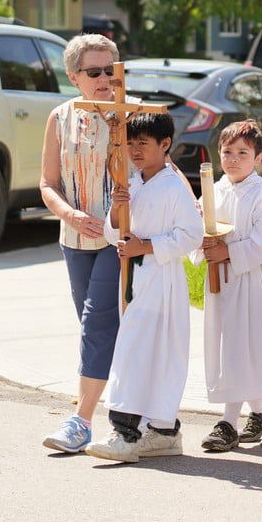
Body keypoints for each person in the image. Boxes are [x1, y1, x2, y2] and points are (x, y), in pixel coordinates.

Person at [86, 111, 205, 463]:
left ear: (165, 145)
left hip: (161, 280)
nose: (135, 150)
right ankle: (163, 432)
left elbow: (191, 235)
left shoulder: (173, 186)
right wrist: (116, 211)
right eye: (131, 143)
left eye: (144, 143)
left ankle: (126, 432)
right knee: (142, 350)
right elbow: (114, 234)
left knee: (140, 352)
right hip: (135, 278)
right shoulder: (133, 182)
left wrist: (147, 246)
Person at [40, 34, 122, 454]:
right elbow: (47, 184)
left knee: (97, 323)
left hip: (119, 240)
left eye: (111, 69)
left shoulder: (131, 115)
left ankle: (81, 421)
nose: (105, 78)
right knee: (98, 328)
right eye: (95, 72)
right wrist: (70, 215)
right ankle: (132, 417)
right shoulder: (59, 118)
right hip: (73, 240)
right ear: (75, 77)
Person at [194, 120, 262, 453]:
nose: (233, 159)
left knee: (240, 345)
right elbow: (201, 227)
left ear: (257, 158)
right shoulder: (215, 190)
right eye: (227, 152)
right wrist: (202, 238)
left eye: (242, 153)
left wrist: (228, 251)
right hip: (218, 280)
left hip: (247, 281)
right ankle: (261, 413)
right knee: (226, 344)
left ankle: (228, 422)